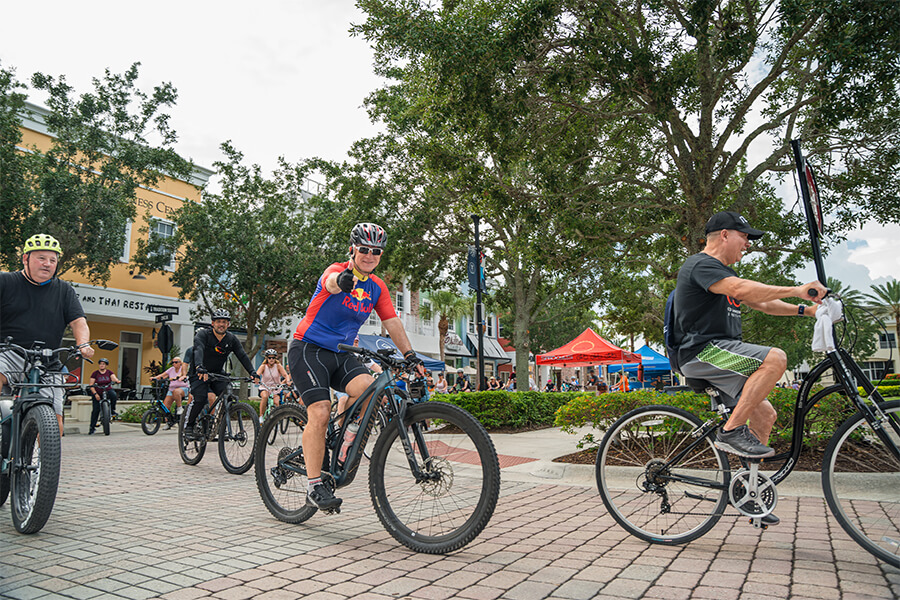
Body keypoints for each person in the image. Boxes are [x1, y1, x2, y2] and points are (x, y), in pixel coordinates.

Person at [670, 211, 825, 525]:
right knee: (775, 358)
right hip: (702, 352)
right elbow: (742, 290)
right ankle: (730, 431)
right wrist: (796, 288)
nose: (748, 244)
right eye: (744, 237)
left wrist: (807, 310)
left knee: (765, 415)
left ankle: (748, 492)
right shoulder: (701, 265)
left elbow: (763, 303)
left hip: (721, 354)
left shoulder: (723, 274)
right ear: (725, 235)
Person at [289, 222, 424, 512]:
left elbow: (391, 321)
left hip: (342, 354)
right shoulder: (337, 270)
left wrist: (410, 354)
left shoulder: (377, 287)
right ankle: (314, 486)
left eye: (376, 251)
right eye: (364, 249)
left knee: (373, 391)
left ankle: (344, 437)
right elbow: (330, 282)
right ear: (353, 249)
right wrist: (342, 281)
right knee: (320, 411)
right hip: (309, 349)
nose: (370, 255)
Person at [0, 234, 94, 436]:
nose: (47, 264)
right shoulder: (5, 281)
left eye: (52, 260)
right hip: (9, 353)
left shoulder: (64, 290)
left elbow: (78, 321)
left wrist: (83, 344)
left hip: (47, 361)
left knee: (55, 422)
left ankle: (45, 455)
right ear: (25, 259)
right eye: (41, 258)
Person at [184, 310, 259, 437]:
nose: (221, 324)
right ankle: (189, 426)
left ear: (228, 324)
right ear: (213, 323)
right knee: (200, 399)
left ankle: (220, 425)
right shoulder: (203, 334)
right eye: (218, 321)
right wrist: (199, 367)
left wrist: (252, 372)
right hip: (199, 373)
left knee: (228, 395)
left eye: (224, 322)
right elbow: (198, 350)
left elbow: (242, 355)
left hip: (217, 373)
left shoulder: (231, 339)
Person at [149, 357, 188, 428]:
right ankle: (169, 422)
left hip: (182, 388)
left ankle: (179, 408)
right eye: (173, 362)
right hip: (171, 389)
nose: (174, 364)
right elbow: (163, 375)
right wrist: (155, 378)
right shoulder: (171, 369)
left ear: (180, 363)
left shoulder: (183, 368)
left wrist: (177, 377)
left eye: (176, 362)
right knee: (165, 406)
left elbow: (182, 374)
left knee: (176, 392)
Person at [257, 349, 291, 422]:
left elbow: (285, 375)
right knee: (265, 397)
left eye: (273, 357)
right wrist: (256, 379)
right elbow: (257, 374)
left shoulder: (278, 366)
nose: (271, 359)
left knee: (276, 402)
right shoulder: (263, 366)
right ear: (267, 358)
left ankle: (276, 419)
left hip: (276, 388)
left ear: (275, 358)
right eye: (269, 358)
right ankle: (261, 416)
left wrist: (288, 381)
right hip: (265, 387)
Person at [88, 358, 120, 434]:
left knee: (114, 395)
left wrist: (117, 381)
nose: (102, 365)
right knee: (95, 410)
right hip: (98, 392)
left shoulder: (109, 372)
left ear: (106, 365)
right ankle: (92, 428)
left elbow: (114, 378)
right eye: (100, 364)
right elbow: (91, 385)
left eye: (103, 364)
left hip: (107, 390)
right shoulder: (95, 373)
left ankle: (112, 410)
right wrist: (95, 394)